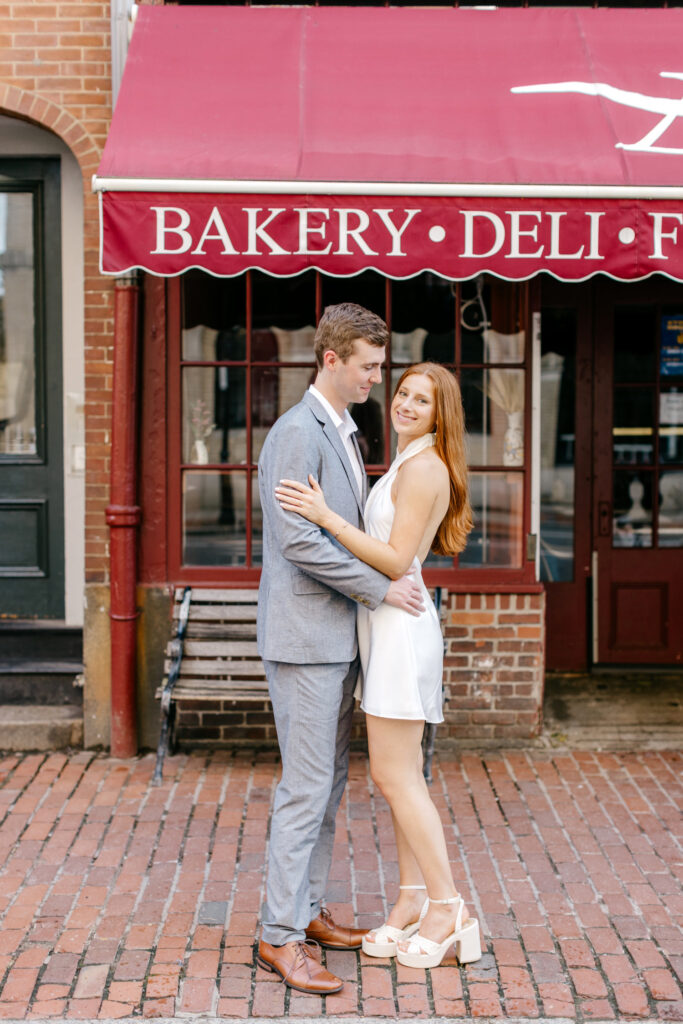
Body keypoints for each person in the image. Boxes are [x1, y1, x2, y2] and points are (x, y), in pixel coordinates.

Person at [275, 362, 482, 970]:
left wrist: (327, 517)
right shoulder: (407, 460)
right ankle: (411, 900)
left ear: (442, 413)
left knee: (397, 778)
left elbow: (395, 561)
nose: (407, 404)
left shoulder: (424, 468)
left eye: (423, 399)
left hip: (400, 630)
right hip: (384, 627)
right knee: (399, 779)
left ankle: (448, 907)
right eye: (403, 393)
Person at [256, 303, 425, 995]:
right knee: (303, 789)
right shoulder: (296, 433)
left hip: (334, 638)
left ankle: (306, 911)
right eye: (367, 367)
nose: (375, 379)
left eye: (378, 367)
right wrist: (378, 590)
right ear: (330, 360)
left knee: (324, 787)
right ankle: (278, 937)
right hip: (304, 640)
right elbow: (298, 541)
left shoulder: (344, 430)